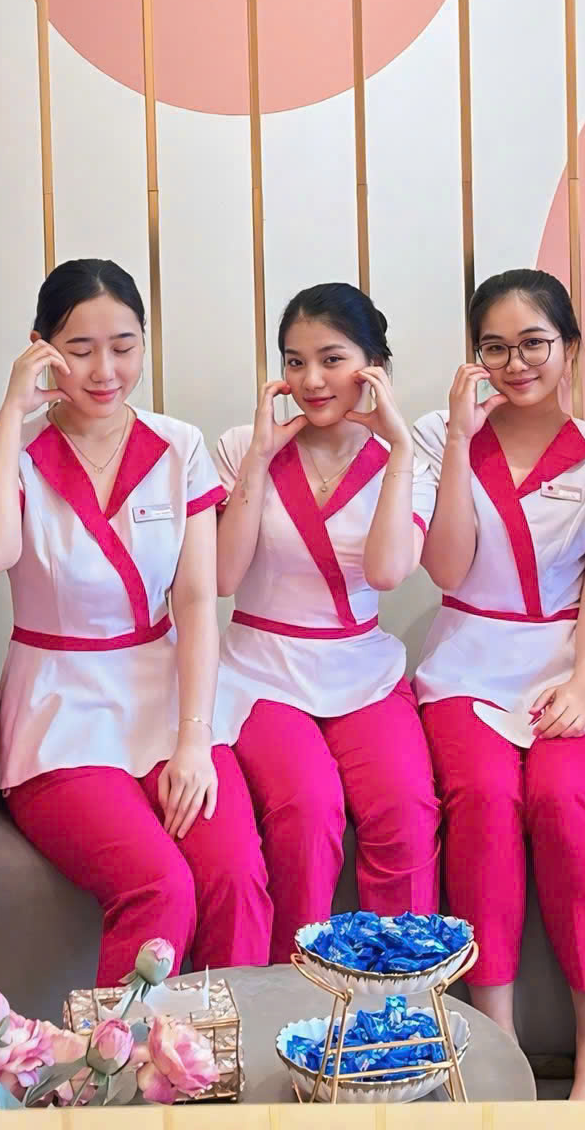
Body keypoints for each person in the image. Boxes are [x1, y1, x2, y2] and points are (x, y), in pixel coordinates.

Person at [0, 259, 271, 986]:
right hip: (60, 710)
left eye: (124, 347)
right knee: (159, 888)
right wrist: (11, 411)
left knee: (234, 874)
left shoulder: (178, 447)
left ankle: (235, 1052)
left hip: (165, 697)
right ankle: (125, 1059)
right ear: (41, 349)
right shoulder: (11, 455)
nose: (105, 371)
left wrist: (194, 742)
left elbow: (197, 600)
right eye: (80, 349)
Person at [414, 268, 585, 1099]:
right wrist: (461, 442)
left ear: (569, 347)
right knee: (483, 801)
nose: (516, 363)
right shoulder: (442, 437)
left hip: (573, 663)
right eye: (495, 348)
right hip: (466, 663)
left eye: (534, 343)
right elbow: (446, 567)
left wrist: (581, 683)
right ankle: (496, 1043)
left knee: (565, 803)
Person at [212, 282, 438, 948]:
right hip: (260, 670)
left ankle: (398, 986)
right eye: (294, 361)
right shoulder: (241, 446)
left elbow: (388, 572)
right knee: (308, 809)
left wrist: (399, 454)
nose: (311, 381)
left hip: (361, 667)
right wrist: (258, 459)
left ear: (374, 368)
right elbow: (222, 578)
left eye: (332, 359)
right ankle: (295, 987)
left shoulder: (410, 462)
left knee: (406, 809)